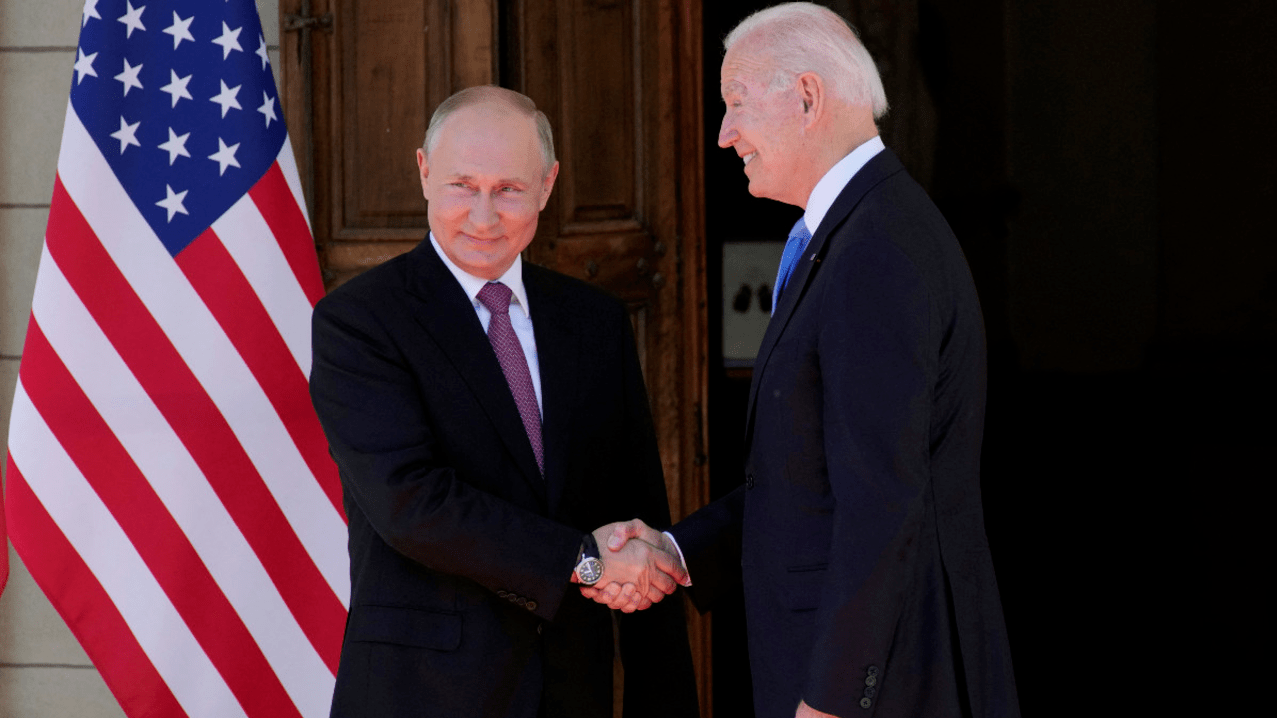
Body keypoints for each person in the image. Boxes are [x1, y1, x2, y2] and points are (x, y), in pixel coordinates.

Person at [586, 4, 1020, 717]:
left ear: (808, 97)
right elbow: (809, 474)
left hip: (883, 687)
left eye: (736, 105)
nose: (724, 135)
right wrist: (677, 551)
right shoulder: (852, 231)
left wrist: (831, 700)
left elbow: (881, 500)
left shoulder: (876, 248)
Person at [309, 85, 699, 718]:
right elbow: (412, 502)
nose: (484, 217)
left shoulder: (595, 322)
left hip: (573, 691)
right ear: (424, 173)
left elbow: (637, 513)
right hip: (422, 694)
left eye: (509, 190)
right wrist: (584, 563)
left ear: (547, 187)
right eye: (463, 185)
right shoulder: (360, 322)